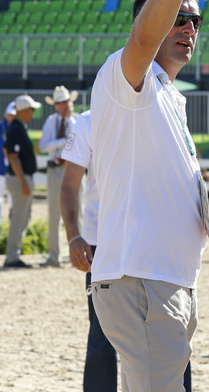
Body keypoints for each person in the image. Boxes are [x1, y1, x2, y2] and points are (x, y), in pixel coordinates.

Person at [88, 0, 209, 392]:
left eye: (196, 21)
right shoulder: (128, 74)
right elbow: (143, 39)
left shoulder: (168, 95)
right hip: (141, 279)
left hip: (163, 278)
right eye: (179, 16)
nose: (189, 27)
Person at [60, 110, 119, 392]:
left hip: (150, 242)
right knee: (101, 336)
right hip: (102, 245)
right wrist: (73, 236)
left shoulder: (160, 109)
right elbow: (70, 183)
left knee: (158, 336)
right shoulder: (90, 120)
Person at [38, 85, 80, 267]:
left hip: (75, 170)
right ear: (55, 105)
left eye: (65, 102)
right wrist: (63, 141)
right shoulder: (51, 121)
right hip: (56, 169)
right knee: (54, 213)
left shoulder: (77, 121)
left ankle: (79, 254)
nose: (63, 105)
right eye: (59, 103)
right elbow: (42, 146)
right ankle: (54, 255)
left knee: (79, 213)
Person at [3, 94, 41, 269]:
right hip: (20, 178)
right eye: (31, 109)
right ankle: (12, 256)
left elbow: (7, 151)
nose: (33, 113)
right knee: (19, 218)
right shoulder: (17, 128)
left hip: (19, 177)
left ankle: (14, 254)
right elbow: (13, 156)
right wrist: (23, 182)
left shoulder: (17, 127)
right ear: (24, 110)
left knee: (22, 217)